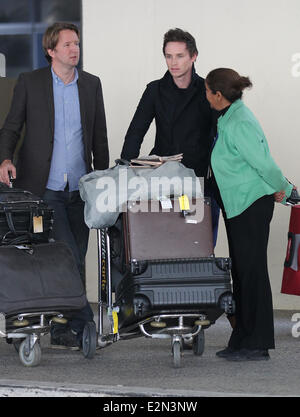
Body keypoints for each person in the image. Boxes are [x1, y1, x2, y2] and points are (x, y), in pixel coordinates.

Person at [0, 22, 109, 349]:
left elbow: (99, 138)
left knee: (77, 255)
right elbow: (11, 128)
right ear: (51, 50)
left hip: (81, 188)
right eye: (67, 45)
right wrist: (5, 159)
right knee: (67, 254)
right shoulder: (30, 83)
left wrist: (102, 180)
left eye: (76, 44)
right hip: (43, 190)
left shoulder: (90, 85)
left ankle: (63, 327)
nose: (74, 49)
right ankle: (84, 323)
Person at [205, 68, 294, 361]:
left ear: (218, 95)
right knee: (242, 272)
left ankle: (256, 344)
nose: (205, 96)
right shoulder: (229, 116)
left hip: (251, 205)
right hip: (239, 205)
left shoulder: (240, 122)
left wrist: (285, 188)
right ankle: (242, 338)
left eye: (207, 91)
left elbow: (264, 164)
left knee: (252, 272)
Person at [120, 28, 220, 246]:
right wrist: (125, 170)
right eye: (169, 56)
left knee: (198, 246)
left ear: (194, 56)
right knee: (164, 245)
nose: (173, 62)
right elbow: (136, 131)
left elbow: (221, 138)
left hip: (199, 181)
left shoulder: (208, 91)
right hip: (163, 181)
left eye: (180, 55)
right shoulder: (154, 90)